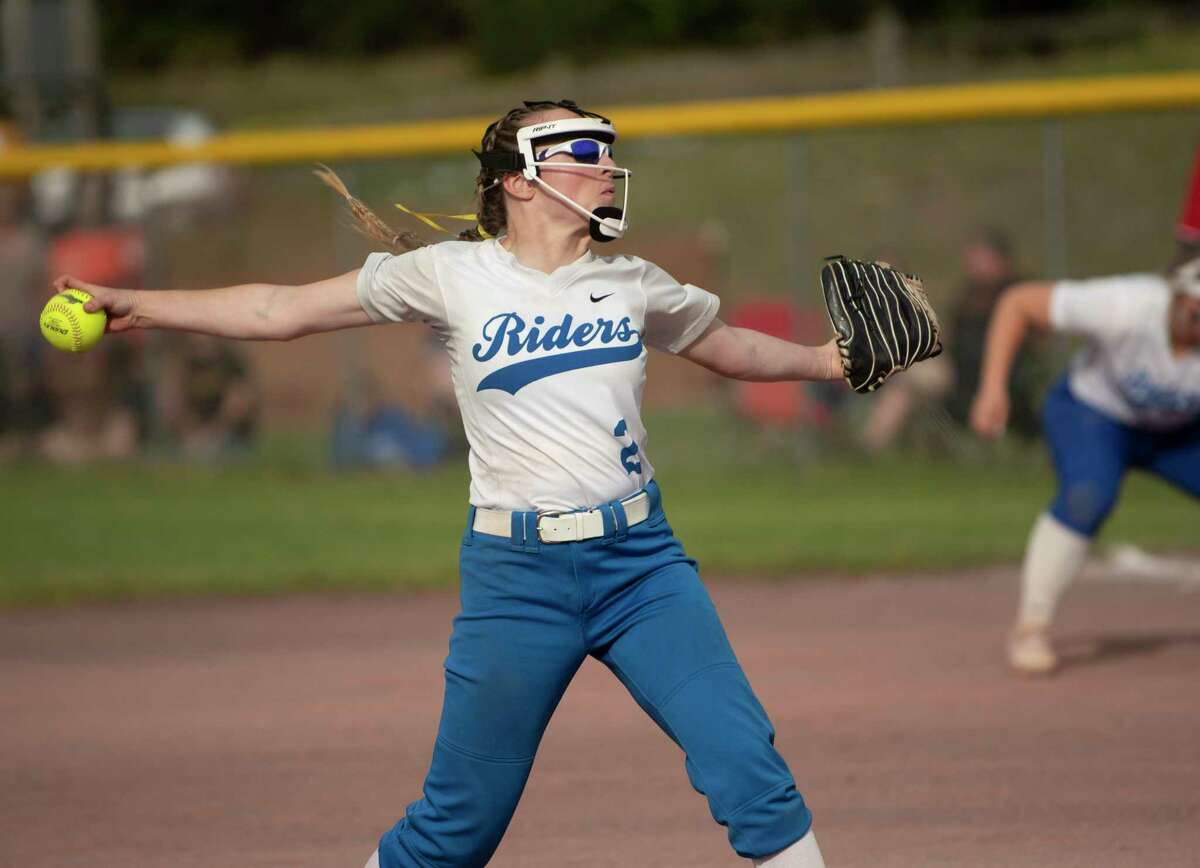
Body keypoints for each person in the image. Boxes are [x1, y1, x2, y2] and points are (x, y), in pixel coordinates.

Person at [57, 99, 862, 868]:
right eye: (583, 150)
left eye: (607, 149)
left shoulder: (633, 283)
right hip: (517, 582)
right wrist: (143, 307)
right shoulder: (450, 275)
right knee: (458, 827)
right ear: (520, 179)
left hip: (642, 569)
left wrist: (829, 360)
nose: (607, 164)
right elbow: (280, 309)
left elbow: (727, 348)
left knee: (748, 768)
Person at [969, 244, 1200, 675]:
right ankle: (1031, 627)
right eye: (1195, 309)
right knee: (1089, 494)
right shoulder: (1129, 305)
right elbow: (1018, 302)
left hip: (1178, 433)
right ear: (1178, 297)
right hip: (1093, 413)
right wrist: (993, 387)